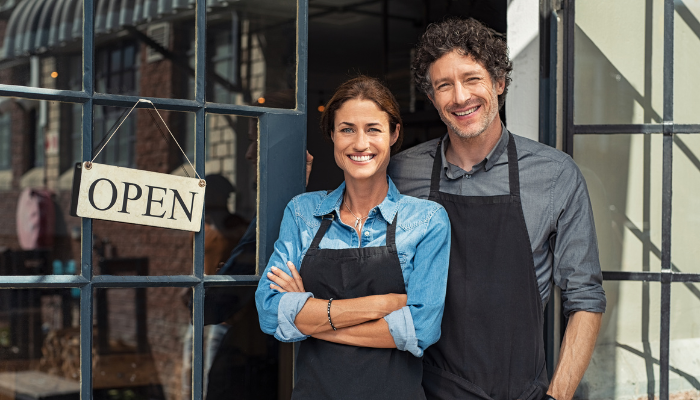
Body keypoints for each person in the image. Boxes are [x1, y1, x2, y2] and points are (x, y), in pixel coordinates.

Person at [388, 18, 606, 400]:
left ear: (500, 82)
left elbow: (585, 299)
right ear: (433, 97)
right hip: (422, 390)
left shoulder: (554, 175)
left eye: (472, 79)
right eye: (444, 85)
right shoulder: (403, 172)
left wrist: (557, 397)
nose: (459, 97)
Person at [255, 76, 451, 399]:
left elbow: (422, 328)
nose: (360, 144)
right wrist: (384, 305)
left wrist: (311, 320)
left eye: (373, 129)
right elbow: (269, 310)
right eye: (347, 129)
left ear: (394, 134)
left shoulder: (426, 220)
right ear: (332, 135)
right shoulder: (303, 213)